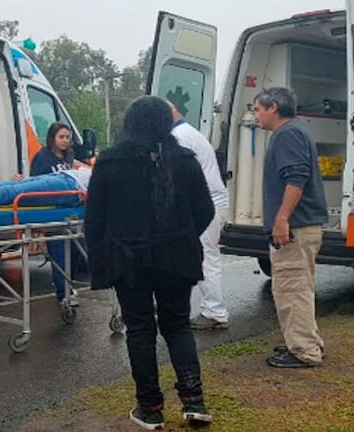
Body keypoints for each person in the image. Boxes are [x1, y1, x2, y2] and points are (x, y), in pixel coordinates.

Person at [85, 96, 215, 429]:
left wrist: (101, 259)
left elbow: (95, 219)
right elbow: (205, 211)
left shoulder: (109, 162)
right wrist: (182, 235)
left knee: (140, 330)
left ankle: (150, 407)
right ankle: (194, 401)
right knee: (178, 325)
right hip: (176, 257)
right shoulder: (185, 160)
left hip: (129, 261)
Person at [254, 87, 328, 368]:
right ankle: (308, 341)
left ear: (273, 107)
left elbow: (295, 178)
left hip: (295, 227)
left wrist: (282, 218)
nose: (256, 115)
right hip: (303, 226)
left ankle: (304, 351)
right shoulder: (295, 132)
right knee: (300, 287)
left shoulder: (287, 135)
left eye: (258, 109)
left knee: (291, 289)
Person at [168, 102, 231, 330]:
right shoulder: (189, 132)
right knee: (198, 256)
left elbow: (178, 177)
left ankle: (215, 312)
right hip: (212, 201)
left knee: (206, 259)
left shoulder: (179, 137)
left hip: (207, 204)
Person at [30, 122, 85, 306]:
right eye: (61, 137)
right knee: (59, 252)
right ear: (52, 137)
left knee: (78, 250)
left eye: (67, 137)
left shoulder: (69, 157)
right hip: (53, 213)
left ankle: (68, 283)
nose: (64, 141)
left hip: (71, 211)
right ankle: (63, 293)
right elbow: (35, 185)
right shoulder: (42, 158)